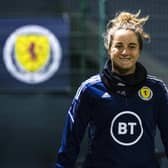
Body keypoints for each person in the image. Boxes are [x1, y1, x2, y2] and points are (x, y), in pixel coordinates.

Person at [56, 10, 168, 168]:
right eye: (119, 46)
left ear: (139, 51)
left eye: (132, 46)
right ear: (109, 49)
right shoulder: (90, 89)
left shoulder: (156, 90)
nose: (125, 52)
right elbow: (70, 143)